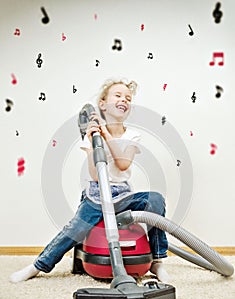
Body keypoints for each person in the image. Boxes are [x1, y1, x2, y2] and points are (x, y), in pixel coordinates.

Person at [10, 78, 170, 283]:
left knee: (155, 200)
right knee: (75, 229)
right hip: (96, 195)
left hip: (123, 195)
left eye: (128, 98)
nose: (124, 100)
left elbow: (123, 164)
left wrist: (106, 134)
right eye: (118, 95)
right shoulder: (91, 135)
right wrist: (96, 139)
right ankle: (38, 265)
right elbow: (96, 175)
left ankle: (157, 262)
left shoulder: (132, 135)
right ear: (103, 104)